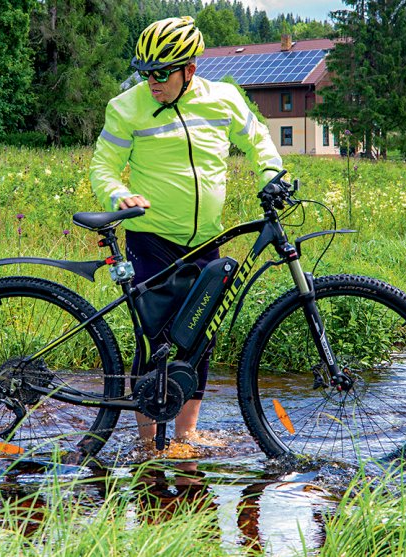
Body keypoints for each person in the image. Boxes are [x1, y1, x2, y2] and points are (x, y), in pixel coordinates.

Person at [89, 16, 283, 446]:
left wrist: (272, 173)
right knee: (153, 340)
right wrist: (118, 193)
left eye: (161, 73)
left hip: (207, 242)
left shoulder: (224, 98)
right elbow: (102, 166)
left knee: (199, 340)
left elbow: (259, 140)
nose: (151, 82)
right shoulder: (126, 107)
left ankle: (186, 436)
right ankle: (145, 446)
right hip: (151, 240)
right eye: (145, 72)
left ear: (189, 70)